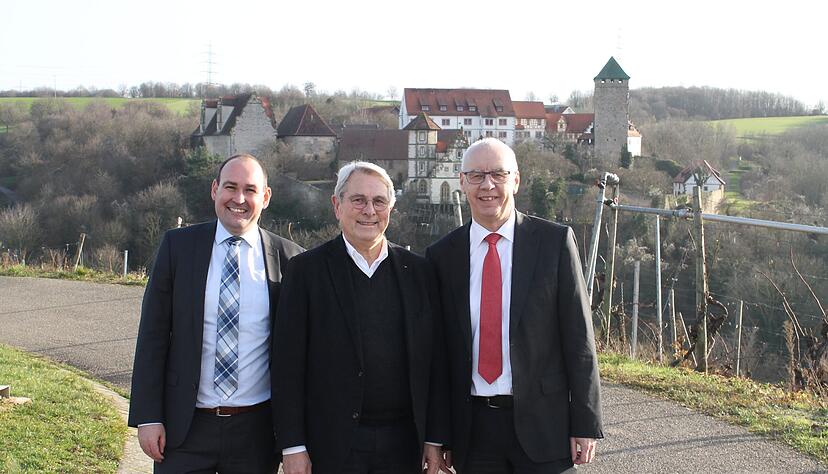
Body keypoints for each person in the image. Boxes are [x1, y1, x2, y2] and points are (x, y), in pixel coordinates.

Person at [425, 138, 603, 473]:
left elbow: (579, 339)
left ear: (516, 180)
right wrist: (438, 434)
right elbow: (438, 355)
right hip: (473, 430)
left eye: (498, 174)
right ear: (462, 182)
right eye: (476, 175)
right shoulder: (441, 257)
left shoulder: (554, 243)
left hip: (545, 424)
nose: (487, 185)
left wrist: (585, 421)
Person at [128, 153, 303, 473]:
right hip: (185, 430)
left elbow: (299, 359)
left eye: (250, 190)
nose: (239, 199)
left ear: (265, 197)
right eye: (230, 187)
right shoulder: (177, 247)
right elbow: (153, 336)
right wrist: (148, 416)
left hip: (256, 434)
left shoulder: (291, 260)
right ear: (214, 190)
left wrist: (295, 440)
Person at [273, 162, 449, 474]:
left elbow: (435, 362)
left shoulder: (419, 272)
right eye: (358, 200)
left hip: (404, 444)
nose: (369, 210)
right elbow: (287, 365)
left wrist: (434, 438)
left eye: (379, 201)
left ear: (390, 210)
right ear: (336, 205)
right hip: (330, 445)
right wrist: (293, 446)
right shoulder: (305, 272)